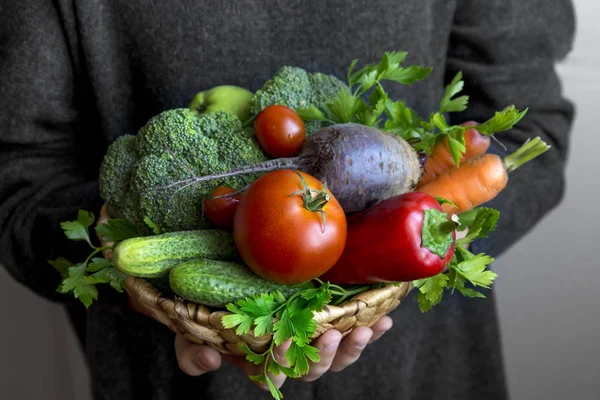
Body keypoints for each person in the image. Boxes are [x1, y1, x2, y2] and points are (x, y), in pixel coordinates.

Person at [0, 0, 575, 399]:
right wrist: (136, 278)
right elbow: (19, 178)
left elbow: (531, 133)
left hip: (423, 371)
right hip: (165, 377)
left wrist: (419, 246)